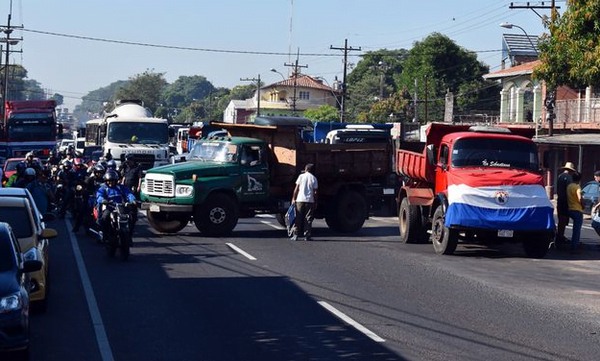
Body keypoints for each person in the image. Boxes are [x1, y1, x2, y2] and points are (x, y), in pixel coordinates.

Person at [96, 170, 136, 242]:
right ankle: (105, 234)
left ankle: (129, 235)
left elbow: (128, 194)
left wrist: (133, 200)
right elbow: (99, 196)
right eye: (109, 181)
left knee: (132, 217)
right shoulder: (103, 188)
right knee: (104, 218)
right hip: (110, 207)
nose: (110, 182)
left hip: (121, 207)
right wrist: (103, 200)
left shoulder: (121, 187)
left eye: (112, 181)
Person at [291, 163, 318, 241]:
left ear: (306, 169)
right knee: (308, 218)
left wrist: (293, 198)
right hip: (310, 200)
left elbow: (296, 189)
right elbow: (315, 192)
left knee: (298, 217)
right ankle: (307, 235)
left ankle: (295, 234)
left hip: (300, 199)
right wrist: (315, 201)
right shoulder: (314, 178)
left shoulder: (301, 176)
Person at [556, 162, 577, 246]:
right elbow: (570, 190)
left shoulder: (560, 176)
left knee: (561, 220)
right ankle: (560, 237)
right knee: (563, 220)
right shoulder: (569, 178)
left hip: (560, 200)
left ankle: (560, 236)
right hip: (565, 202)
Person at [567, 172, 584, 254]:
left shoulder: (569, 186)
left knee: (575, 229)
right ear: (579, 179)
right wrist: (583, 205)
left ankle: (574, 245)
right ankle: (574, 247)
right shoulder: (577, 187)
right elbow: (580, 198)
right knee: (576, 230)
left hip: (570, 208)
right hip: (577, 209)